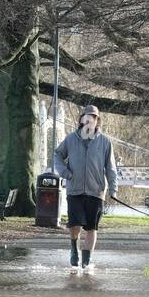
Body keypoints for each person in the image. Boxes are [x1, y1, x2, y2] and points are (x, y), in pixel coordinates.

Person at [53, 104, 119, 271]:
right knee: (75, 223)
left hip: (96, 191)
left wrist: (113, 188)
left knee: (91, 227)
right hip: (74, 189)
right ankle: (74, 247)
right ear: (81, 120)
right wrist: (65, 173)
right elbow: (57, 155)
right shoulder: (70, 139)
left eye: (94, 117)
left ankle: (86, 261)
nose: (91, 120)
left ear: (98, 121)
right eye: (87, 117)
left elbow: (111, 168)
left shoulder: (105, 142)